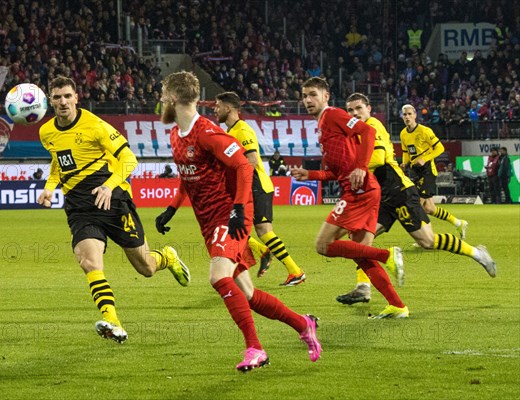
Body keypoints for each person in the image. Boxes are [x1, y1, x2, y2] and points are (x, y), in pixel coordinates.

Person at [154, 71, 321, 372]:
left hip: (228, 216)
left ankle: (256, 349)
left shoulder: (206, 132)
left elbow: (244, 166)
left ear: (175, 98)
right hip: (208, 222)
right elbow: (187, 178)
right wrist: (171, 208)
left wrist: (238, 209)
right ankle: (303, 323)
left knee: (219, 278)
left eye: (163, 94)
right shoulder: (175, 135)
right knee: (247, 294)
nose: (161, 99)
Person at [37, 76, 191, 344]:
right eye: (57, 97)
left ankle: (167, 257)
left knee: (145, 268)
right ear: (50, 101)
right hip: (79, 205)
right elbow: (58, 161)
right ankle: (112, 320)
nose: (63, 102)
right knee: (89, 262)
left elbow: (129, 158)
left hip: (112, 199)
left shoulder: (95, 126)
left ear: (76, 98)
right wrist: (50, 187)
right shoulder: (46, 132)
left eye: (67, 96)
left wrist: (109, 186)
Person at [330, 93, 496, 304]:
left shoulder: (372, 125)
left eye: (358, 109)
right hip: (381, 196)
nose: (354, 114)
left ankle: (478, 253)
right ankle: (363, 287)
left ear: (369, 109)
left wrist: (354, 167)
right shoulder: (356, 133)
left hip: (399, 191)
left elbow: (379, 158)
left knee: (427, 241)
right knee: (360, 241)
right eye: (350, 110)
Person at [292, 77, 408, 319]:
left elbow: (367, 130)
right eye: (304, 96)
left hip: (360, 192)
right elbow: (337, 171)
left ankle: (388, 255)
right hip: (362, 190)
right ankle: (398, 306)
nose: (307, 100)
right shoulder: (324, 124)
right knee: (362, 255)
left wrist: (362, 167)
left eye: (313, 94)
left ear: (325, 96)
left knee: (323, 245)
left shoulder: (333, 114)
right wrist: (310, 174)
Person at [215, 91, 306, 286]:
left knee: (263, 230)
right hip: (246, 186)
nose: (215, 109)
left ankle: (295, 271)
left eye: (218, 106)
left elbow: (252, 159)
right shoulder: (230, 132)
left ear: (228, 108)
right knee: (231, 225)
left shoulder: (242, 130)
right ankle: (263, 252)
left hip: (256, 184)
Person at [400, 104, 469, 238]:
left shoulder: (425, 131)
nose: (407, 117)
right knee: (429, 208)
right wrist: (404, 163)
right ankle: (458, 223)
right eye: (404, 114)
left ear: (415, 115)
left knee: (417, 205)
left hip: (427, 171)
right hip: (415, 170)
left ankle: (425, 237)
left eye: (409, 114)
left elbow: (440, 148)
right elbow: (406, 151)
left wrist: (424, 159)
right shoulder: (403, 133)